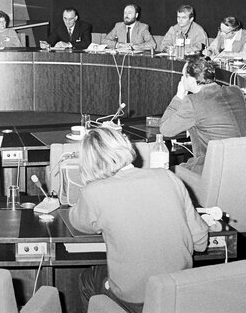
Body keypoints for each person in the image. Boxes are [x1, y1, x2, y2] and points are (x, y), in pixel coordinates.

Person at [69, 128, 209, 313]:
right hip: (178, 294)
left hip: (133, 301)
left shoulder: (93, 192)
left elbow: (78, 223)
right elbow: (200, 242)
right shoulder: (167, 176)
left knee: (88, 279)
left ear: (88, 162)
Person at [159, 55, 246, 173]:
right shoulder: (236, 92)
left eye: (183, 76)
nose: (182, 80)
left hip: (212, 170)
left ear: (192, 81)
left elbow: (165, 129)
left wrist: (179, 96)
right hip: (244, 166)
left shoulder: (194, 101)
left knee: (166, 173)